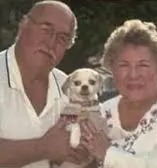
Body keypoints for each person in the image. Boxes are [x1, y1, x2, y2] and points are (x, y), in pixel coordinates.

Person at [0, 1, 88, 168]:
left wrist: (81, 152)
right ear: (23, 26)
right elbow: (51, 149)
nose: (51, 43)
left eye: (62, 38)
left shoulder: (69, 88)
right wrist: (43, 148)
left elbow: (75, 155)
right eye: (46, 30)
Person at [80, 19, 157, 168]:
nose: (133, 75)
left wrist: (107, 153)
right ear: (112, 69)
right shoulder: (99, 113)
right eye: (124, 65)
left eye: (143, 65)